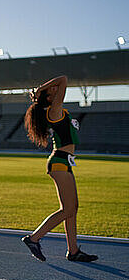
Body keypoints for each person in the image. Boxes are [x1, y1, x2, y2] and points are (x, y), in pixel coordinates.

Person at [21, 75, 98, 263]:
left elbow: (60, 82)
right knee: (68, 209)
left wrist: (43, 90)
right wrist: (41, 88)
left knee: (72, 208)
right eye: (53, 90)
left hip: (65, 162)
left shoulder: (55, 110)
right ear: (49, 97)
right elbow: (63, 79)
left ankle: (73, 251)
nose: (57, 89)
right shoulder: (54, 110)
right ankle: (33, 238)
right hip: (59, 162)